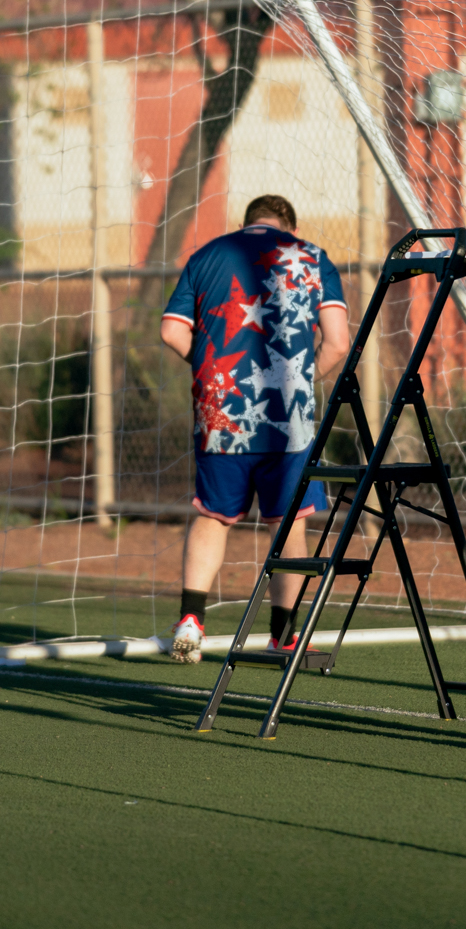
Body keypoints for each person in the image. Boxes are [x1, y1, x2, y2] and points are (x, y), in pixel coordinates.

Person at [160, 195, 352, 663]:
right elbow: (339, 341)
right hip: (288, 415)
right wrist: (302, 381)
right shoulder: (311, 257)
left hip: (221, 408)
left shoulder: (206, 256)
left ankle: (191, 619)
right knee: (289, 522)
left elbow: (171, 330)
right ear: (289, 224)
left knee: (213, 514)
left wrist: (210, 371)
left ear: (245, 225)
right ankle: (284, 635)